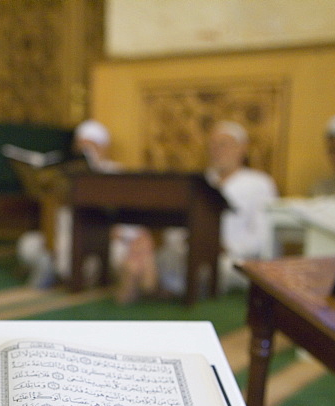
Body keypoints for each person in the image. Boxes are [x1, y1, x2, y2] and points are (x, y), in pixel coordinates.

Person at [118, 120, 279, 302]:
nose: (217, 150)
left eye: (224, 144)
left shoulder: (259, 184)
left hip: (231, 258)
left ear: (242, 148)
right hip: (188, 251)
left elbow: (263, 235)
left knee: (206, 267)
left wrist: (227, 247)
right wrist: (184, 238)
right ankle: (143, 282)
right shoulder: (200, 181)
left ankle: (151, 288)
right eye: (213, 145)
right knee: (151, 250)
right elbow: (177, 225)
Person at [16, 119, 123, 288]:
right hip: (63, 237)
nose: (84, 152)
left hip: (98, 240)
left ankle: (63, 273)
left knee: (116, 255)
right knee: (28, 245)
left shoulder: (116, 174)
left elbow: (125, 219)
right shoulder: (67, 176)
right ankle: (58, 269)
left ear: (103, 147)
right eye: (80, 147)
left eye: (90, 147)